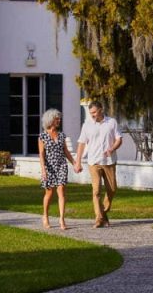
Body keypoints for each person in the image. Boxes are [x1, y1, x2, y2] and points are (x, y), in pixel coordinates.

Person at [74, 99, 122, 228]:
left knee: (112, 189)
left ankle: (103, 212)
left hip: (109, 161)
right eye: (91, 113)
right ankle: (99, 218)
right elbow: (81, 143)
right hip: (93, 162)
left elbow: (119, 139)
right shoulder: (87, 125)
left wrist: (112, 149)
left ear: (101, 110)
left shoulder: (112, 122)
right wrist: (77, 162)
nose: (92, 115)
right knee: (96, 191)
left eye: (94, 112)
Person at [39, 108, 74, 230]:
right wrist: (43, 170)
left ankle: (62, 219)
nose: (59, 120)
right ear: (50, 120)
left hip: (61, 165)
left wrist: (74, 163)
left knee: (61, 190)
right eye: (56, 118)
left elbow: (66, 151)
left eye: (59, 118)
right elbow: (41, 154)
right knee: (49, 192)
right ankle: (45, 216)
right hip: (49, 166)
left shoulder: (62, 135)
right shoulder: (42, 136)